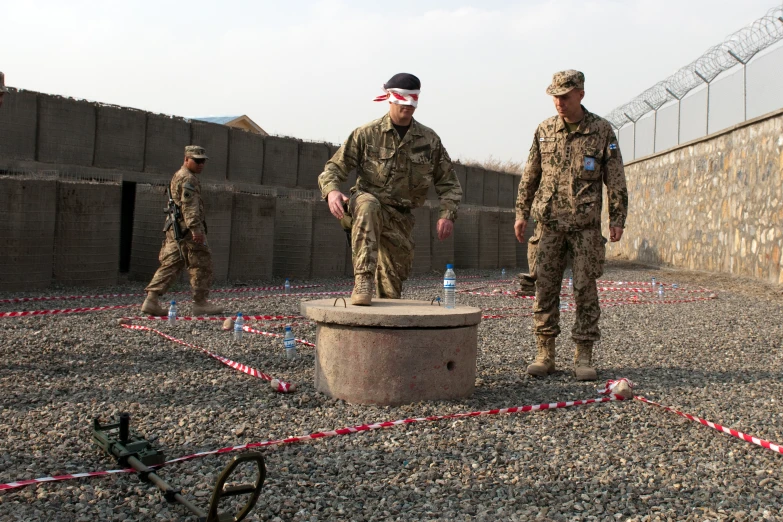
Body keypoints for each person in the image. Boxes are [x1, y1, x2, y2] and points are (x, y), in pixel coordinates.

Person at [514, 70, 628, 381]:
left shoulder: (601, 131)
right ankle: (545, 353)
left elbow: (615, 179)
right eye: (555, 96)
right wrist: (521, 212)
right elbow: (530, 175)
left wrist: (617, 218)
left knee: (584, 289)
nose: (559, 102)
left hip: (585, 227)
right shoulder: (544, 130)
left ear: (580, 93)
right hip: (549, 224)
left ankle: (584, 354)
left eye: (565, 96)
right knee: (544, 288)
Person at [319, 73, 463, 305]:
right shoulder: (367, 134)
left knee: (390, 292)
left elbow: (449, 183)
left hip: (400, 218)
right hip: (366, 202)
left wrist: (447, 214)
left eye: (412, 100)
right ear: (389, 98)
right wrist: (332, 191)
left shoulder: (429, 140)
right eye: (402, 99)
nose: (407, 106)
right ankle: (363, 280)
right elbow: (334, 167)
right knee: (368, 205)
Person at [141, 145, 224, 316]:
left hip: (176, 228)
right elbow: (189, 205)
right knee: (202, 264)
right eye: (197, 160)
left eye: (203, 161)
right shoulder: (188, 179)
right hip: (187, 230)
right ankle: (200, 303)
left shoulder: (178, 176)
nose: (201, 164)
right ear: (186, 159)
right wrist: (195, 228)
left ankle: (151, 299)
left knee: (171, 263)